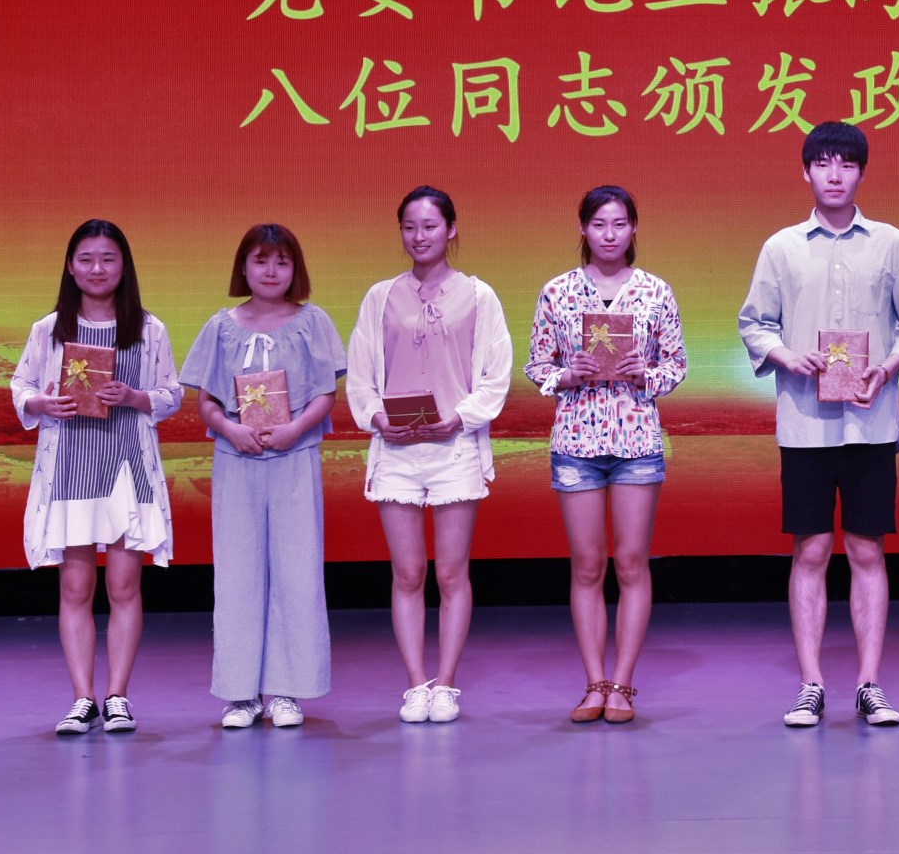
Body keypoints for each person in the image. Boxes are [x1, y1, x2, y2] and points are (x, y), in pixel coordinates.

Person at [738, 122, 899, 728]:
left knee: (867, 549)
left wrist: (888, 366)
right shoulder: (781, 247)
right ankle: (811, 685)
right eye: (822, 163)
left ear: (861, 173)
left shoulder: (893, 244)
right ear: (805, 171)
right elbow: (754, 323)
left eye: (845, 164)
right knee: (812, 549)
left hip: (871, 422)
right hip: (805, 423)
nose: (833, 174)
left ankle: (870, 684)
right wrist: (786, 356)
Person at [346, 186, 513, 724]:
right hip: (396, 450)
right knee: (408, 572)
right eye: (409, 227)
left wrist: (459, 417)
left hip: (454, 446)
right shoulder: (380, 297)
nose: (419, 236)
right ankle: (416, 683)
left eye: (430, 226)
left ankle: (447, 684)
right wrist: (378, 419)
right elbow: (361, 375)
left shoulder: (480, 297)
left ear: (451, 229)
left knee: (451, 574)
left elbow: (495, 376)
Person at [11, 219, 183, 736]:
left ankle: (118, 697)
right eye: (86, 259)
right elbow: (21, 385)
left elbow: (171, 394)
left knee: (124, 585)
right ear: (70, 266)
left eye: (108, 258)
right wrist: (41, 403)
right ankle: (82, 698)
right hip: (70, 468)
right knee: (75, 586)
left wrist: (134, 397)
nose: (97, 268)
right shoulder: (49, 329)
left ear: (123, 266)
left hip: (126, 467)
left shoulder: (148, 329)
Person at [526, 185, 687, 724]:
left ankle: (623, 684)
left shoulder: (655, 292)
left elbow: (677, 365)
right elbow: (536, 365)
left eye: (619, 224)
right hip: (577, 442)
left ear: (633, 228)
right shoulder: (558, 292)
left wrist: (648, 373)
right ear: (583, 229)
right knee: (588, 564)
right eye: (599, 224)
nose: (609, 234)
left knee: (632, 562)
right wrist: (566, 375)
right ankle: (594, 682)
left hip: (637, 441)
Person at [179, 224, 346, 731]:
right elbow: (206, 401)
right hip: (237, 460)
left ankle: (287, 691)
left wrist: (295, 428)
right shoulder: (220, 326)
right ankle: (240, 694)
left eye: (282, 262)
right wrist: (231, 428)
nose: (271, 271)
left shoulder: (312, 322)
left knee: (297, 569)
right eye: (260, 260)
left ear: (295, 269)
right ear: (244, 267)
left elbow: (326, 393)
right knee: (238, 572)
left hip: (295, 456)